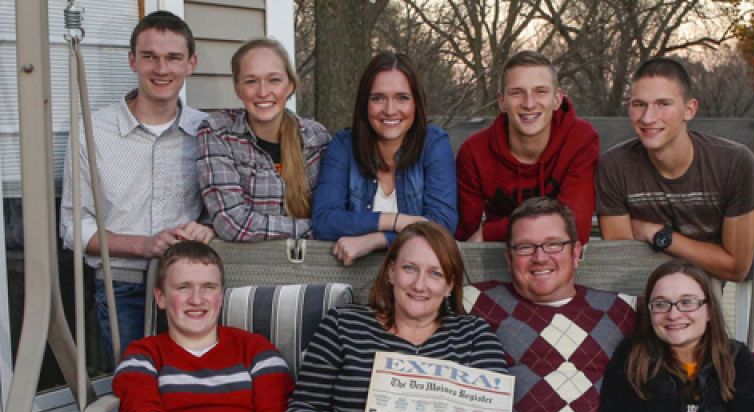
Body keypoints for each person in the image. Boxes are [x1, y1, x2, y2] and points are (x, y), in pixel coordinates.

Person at [467, 197, 754, 412]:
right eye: (525, 247)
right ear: (509, 257)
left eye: (554, 244)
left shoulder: (618, 309)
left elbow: (693, 337)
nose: (540, 257)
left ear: (578, 252)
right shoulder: (475, 302)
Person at [285, 222, 507, 412]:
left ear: (449, 285)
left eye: (435, 273)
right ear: (391, 272)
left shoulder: (474, 336)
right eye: (409, 268)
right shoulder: (343, 324)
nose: (419, 285)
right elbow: (304, 408)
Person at [60, 11, 214, 361]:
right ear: (133, 61)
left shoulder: (208, 130)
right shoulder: (92, 130)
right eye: (150, 57)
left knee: (195, 391)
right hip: (121, 289)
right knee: (136, 393)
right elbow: (72, 227)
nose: (162, 69)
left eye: (173, 57)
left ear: (191, 63)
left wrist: (206, 229)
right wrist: (142, 245)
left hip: (193, 288)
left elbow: (221, 210)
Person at [113, 241, 293, 412]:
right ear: (161, 297)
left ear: (221, 295)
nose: (197, 300)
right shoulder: (144, 354)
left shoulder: (256, 349)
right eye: (183, 287)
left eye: (208, 287)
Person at [596, 57, 754, 282]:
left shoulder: (734, 163)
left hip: (704, 300)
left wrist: (658, 235)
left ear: (689, 109)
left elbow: (736, 268)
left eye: (663, 104)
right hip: (636, 296)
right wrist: (707, 255)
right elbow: (623, 264)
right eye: (639, 104)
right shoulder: (615, 166)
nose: (648, 117)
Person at [600, 261, 754, 412]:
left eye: (687, 302)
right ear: (649, 311)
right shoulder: (631, 358)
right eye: (661, 304)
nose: (674, 314)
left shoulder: (735, 358)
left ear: (708, 311)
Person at [312, 52, 457, 265]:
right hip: (350, 278)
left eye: (402, 98)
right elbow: (324, 220)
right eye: (378, 98)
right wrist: (397, 221)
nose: (390, 110)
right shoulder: (344, 145)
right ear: (364, 103)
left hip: (418, 282)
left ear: (416, 103)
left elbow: (442, 225)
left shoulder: (433, 144)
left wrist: (377, 239)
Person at [454, 50, 598, 245]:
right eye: (516, 93)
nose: (529, 103)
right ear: (502, 102)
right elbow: (467, 237)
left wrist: (490, 233)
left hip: (560, 264)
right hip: (495, 262)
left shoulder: (579, 140)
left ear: (557, 99)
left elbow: (575, 228)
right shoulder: (475, 153)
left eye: (540, 91)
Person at [197, 38, 330, 241]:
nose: (262, 92)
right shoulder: (218, 132)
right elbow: (231, 223)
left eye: (274, 80)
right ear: (237, 88)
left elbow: (335, 211)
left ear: (290, 85)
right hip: (246, 267)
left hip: (307, 266)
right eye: (251, 81)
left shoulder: (316, 138)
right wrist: (320, 228)